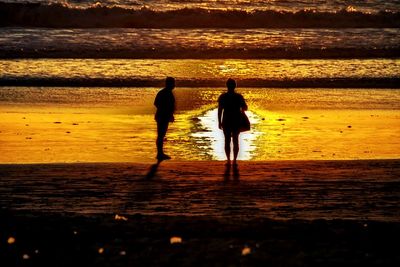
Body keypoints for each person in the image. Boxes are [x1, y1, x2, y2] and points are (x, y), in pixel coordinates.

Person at [218, 78, 248, 165]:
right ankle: (234, 160)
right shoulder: (239, 97)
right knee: (235, 140)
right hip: (236, 120)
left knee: (227, 141)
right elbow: (245, 107)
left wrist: (219, 122)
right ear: (235, 86)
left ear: (227, 86)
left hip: (226, 119)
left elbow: (220, 110)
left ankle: (228, 160)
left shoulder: (223, 97)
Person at [154, 77, 176, 161]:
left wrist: (170, 114)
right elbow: (156, 103)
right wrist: (165, 111)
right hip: (162, 116)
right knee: (161, 135)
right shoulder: (163, 92)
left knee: (161, 135)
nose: (174, 85)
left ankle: (160, 153)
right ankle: (160, 154)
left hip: (164, 116)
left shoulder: (167, 92)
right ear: (169, 84)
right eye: (173, 83)